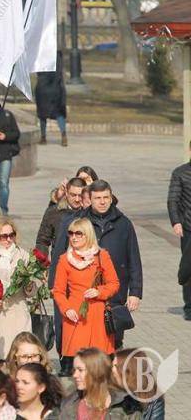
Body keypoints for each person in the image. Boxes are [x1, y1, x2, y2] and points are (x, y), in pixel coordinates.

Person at [51, 180, 142, 348]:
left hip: (114, 294)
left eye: (106, 197)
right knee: (81, 343)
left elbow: (133, 258)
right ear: (89, 199)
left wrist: (135, 292)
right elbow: (59, 254)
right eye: (97, 198)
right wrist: (53, 285)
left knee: (112, 340)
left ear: (111, 198)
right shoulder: (77, 222)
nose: (102, 202)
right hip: (81, 295)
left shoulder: (123, 224)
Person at [51, 218, 120, 362]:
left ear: (88, 235)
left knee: (98, 361)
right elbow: (58, 291)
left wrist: (99, 292)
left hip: (97, 316)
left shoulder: (101, 256)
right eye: (71, 233)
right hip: (75, 316)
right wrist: (66, 309)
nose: (73, 237)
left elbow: (114, 283)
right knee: (78, 361)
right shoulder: (65, 259)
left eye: (78, 233)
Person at [0, 218, 32, 360]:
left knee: (19, 357)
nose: (8, 239)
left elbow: (32, 290)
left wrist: (29, 285)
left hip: (17, 313)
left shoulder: (23, 254)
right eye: (3, 236)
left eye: (11, 235)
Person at [61, 348, 140, 419]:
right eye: (74, 370)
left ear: (97, 372)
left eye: (80, 370)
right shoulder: (70, 403)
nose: (74, 375)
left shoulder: (125, 406)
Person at [168, 147, 191, 320]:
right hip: (188, 228)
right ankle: (189, 306)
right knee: (188, 268)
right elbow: (173, 200)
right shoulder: (180, 173)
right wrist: (176, 222)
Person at [111, 348, 165, 419]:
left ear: (129, 370)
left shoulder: (154, 400)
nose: (112, 369)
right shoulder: (111, 393)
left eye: (115, 366)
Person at [36, 177, 85, 254]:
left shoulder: (89, 213)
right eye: (73, 195)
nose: (77, 199)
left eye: (80, 196)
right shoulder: (53, 212)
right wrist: (42, 260)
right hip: (59, 258)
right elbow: (42, 241)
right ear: (66, 193)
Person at [35, 71, 67, 147]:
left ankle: (43, 137)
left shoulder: (41, 67)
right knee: (59, 113)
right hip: (56, 90)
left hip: (42, 90)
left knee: (42, 115)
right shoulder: (57, 66)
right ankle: (63, 135)